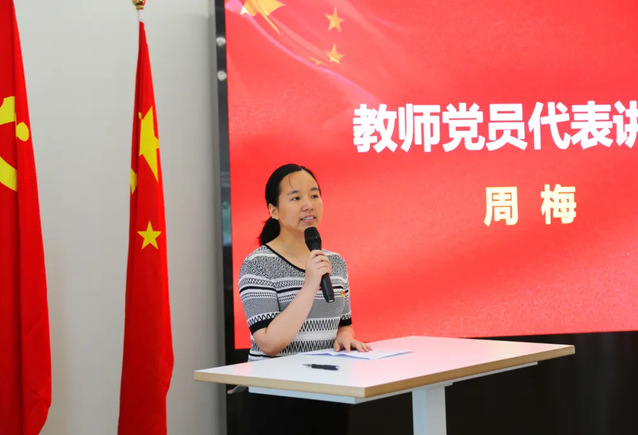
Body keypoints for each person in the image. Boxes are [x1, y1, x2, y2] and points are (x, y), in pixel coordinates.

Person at [238, 163, 370, 434]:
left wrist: (345, 336)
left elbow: (344, 324)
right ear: (273, 210)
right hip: (277, 399)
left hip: (329, 392)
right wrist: (310, 285)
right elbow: (269, 343)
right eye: (296, 197)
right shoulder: (257, 264)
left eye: (314, 195)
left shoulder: (335, 262)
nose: (309, 204)